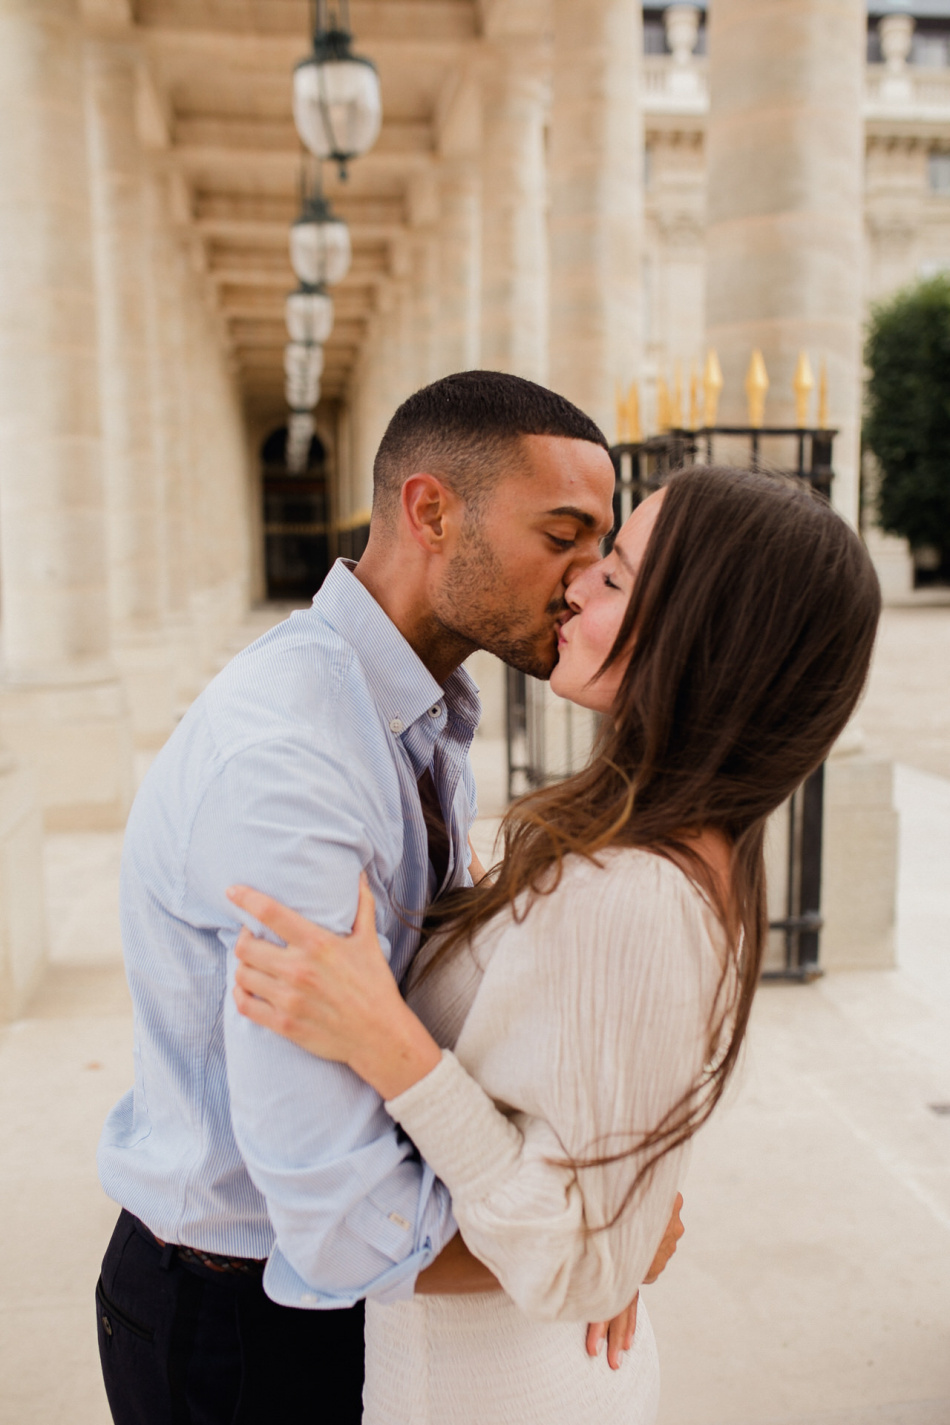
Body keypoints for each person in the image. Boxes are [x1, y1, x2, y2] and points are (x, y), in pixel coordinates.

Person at [227, 465, 882, 1424]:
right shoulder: (680, 848)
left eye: (613, 575)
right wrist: (629, 1212)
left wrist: (391, 1044)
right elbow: (607, 1131)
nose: (575, 582)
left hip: (496, 1386)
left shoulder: (637, 893)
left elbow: (578, 1257)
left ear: (703, 645)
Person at [96, 370, 675, 1425]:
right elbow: (336, 1219)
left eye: (604, 549)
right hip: (240, 1327)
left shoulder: (419, 703)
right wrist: (584, 1254)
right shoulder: (289, 763)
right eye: (563, 534)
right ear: (430, 510)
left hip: (319, 1308)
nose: (585, 579)